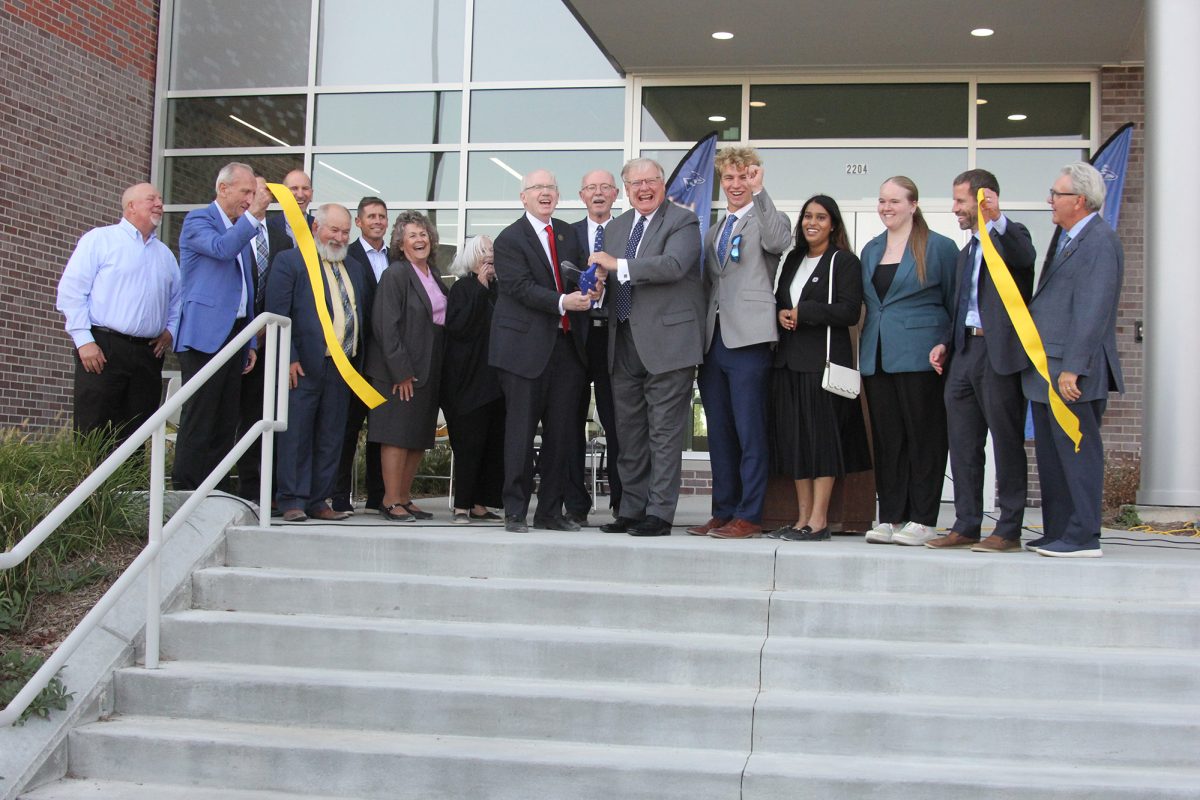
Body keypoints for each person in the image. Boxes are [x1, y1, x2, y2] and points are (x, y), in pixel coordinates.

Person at [590, 158, 705, 537]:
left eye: (650, 181)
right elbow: (613, 277)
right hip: (622, 341)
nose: (643, 188)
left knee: (664, 433)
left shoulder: (683, 221)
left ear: (662, 184)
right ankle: (632, 510)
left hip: (668, 345)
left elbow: (672, 266)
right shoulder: (618, 227)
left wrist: (618, 265)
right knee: (630, 433)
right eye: (634, 183)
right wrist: (598, 287)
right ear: (625, 189)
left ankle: (659, 514)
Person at [927, 169, 1037, 553]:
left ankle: (1008, 529)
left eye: (960, 201)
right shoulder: (965, 253)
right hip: (964, 355)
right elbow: (961, 308)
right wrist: (945, 343)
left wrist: (997, 218)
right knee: (963, 443)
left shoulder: (1012, 237)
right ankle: (966, 524)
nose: (954, 208)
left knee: (1005, 443)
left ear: (982, 199)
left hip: (999, 355)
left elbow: (1024, 259)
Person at [1023, 162, 1124, 558]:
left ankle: (1083, 536)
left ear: (1078, 201)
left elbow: (1093, 309)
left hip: (1072, 372)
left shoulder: (1099, 241)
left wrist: (1073, 367)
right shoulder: (1066, 238)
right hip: (1048, 369)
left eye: (1056, 194)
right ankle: (1059, 530)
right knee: (1051, 454)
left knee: (1077, 452)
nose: (1050, 200)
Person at [690, 147, 791, 540]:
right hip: (714, 340)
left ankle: (750, 514)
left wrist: (761, 193)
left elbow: (779, 242)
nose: (736, 185)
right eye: (729, 179)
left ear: (754, 179)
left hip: (749, 337)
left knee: (750, 431)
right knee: (719, 433)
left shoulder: (768, 217)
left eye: (743, 178)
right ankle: (723, 510)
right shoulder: (714, 230)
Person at [488, 170, 591, 533]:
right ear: (524, 197)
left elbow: (581, 275)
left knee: (562, 435)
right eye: (537, 188)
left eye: (550, 187)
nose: (545, 193)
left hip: (567, 351)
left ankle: (550, 511)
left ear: (558, 195)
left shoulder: (567, 233)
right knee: (520, 432)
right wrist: (564, 301)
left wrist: (594, 288)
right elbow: (519, 287)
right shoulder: (509, 239)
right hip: (523, 352)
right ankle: (515, 511)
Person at [859, 175, 959, 545]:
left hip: (921, 356)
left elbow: (955, 303)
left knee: (925, 438)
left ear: (913, 205)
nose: (886, 207)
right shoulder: (871, 249)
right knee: (889, 440)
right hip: (878, 357)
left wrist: (946, 344)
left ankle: (923, 518)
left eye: (894, 201)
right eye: (882, 201)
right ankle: (891, 516)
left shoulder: (940, 247)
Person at [767, 194, 872, 541]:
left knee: (821, 442)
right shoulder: (794, 258)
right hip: (789, 362)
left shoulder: (843, 261)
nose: (812, 223)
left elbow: (849, 311)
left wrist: (805, 313)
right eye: (808, 217)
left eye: (821, 218)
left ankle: (820, 520)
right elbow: (783, 300)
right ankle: (801, 519)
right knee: (796, 443)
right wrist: (782, 314)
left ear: (833, 225)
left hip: (823, 364)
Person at [55, 182, 180, 450]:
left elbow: (177, 301)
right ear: (131, 206)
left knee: (136, 431)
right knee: (94, 427)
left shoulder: (165, 256)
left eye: (160, 198)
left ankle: (128, 492)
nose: (159, 203)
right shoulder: (100, 240)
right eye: (151, 199)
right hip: (103, 347)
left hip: (148, 354)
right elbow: (71, 291)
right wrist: (83, 340)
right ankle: (91, 491)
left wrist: (170, 329)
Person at [266, 204, 370, 523]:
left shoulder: (353, 267)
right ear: (315, 228)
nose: (339, 237)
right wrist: (288, 358)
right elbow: (278, 314)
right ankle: (292, 500)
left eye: (344, 232)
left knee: (331, 435)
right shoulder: (291, 262)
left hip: (343, 368)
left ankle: (318, 500)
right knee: (296, 434)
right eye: (333, 230)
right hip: (303, 366)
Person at [172, 162, 272, 491]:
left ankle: (215, 487)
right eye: (245, 192)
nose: (250, 198)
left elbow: (246, 289)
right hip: (204, 336)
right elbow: (221, 249)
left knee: (226, 418)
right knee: (201, 415)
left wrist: (249, 344)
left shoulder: (239, 227)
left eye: (253, 194)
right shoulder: (199, 220)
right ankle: (186, 487)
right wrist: (253, 216)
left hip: (236, 335)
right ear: (223, 189)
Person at [365, 211, 448, 522]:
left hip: (429, 368)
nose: (420, 239)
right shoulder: (397, 274)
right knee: (397, 435)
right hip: (399, 372)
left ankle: (403, 497)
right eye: (412, 235)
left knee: (417, 436)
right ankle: (389, 499)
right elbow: (386, 325)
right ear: (400, 243)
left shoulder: (433, 273)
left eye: (423, 234)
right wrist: (400, 371)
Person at [567, 169, 623, 522]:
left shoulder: (627, 231)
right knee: (569, 421)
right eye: (592, 188)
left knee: (618, 423)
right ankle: (575, 505)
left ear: (616, 194)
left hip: (613, 336)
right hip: (574, 335)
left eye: (605, 187)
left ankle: (623, 502)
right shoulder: (566, 234)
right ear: (582, 195)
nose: (598, 193)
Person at [331, 196, 391, 513]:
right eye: (371, 216)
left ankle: (377, 496)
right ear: (359, 222)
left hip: (387, 363)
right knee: (348, 429)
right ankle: (340, 494)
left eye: (382, 216)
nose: (377, 221)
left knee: (380, 432)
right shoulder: (347, 255)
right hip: (356, 358)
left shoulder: (396, 257)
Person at [235, 174, 290, 502]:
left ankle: (259, 491)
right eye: (254, 191)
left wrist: (265, 329)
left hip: (268, 343)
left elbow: (279, 288)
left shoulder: (280, 237)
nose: (262, 196)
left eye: (266, 192)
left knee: (261, 416)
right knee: (230, 418)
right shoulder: (232, 229)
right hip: (230, 340)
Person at [443, 236, 505, 524]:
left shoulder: (498, 290)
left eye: (491, 252)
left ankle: (481, 502)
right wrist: (480, 288)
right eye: (483, 253)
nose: (488, 257)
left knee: (492, 444)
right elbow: (459, 328)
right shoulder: (463, 288)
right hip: (467, 383)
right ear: (471, 258)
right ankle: (462, 505)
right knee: (469, 444)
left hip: (495, 380)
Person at [266, 169, 314, 249]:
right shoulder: (267, 227)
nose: (300, 195)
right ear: (283, 193)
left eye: (305, 188)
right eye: (294, 188)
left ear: (312, 194)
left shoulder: (319, 227)